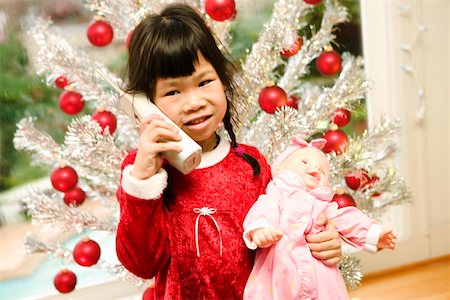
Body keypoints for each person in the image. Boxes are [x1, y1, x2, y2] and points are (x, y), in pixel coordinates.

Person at [115, 4, 342, 299]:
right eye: (173, 92)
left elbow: (293, 230)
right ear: (147, 104)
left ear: (223, 81)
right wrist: (144, 180)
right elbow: (141, 264)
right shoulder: (145, 174)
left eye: (204, 82)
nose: (194, 102)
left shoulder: (251, 164)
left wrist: (326, 241)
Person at [242, 136, 398, 300]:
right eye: (304, 162)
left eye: (323, 171)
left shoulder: (323, 206)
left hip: (321, 281)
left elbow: (347, 219)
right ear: (279, 168)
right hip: (278, 274)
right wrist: (260, 229)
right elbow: (264, 209)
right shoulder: (277, 194)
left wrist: (374, 233)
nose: (315, 169)